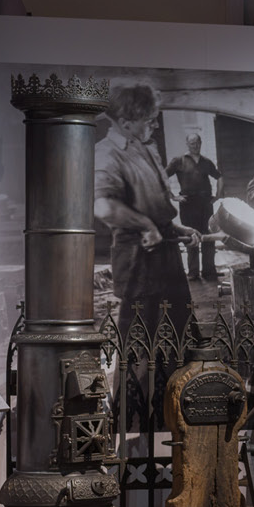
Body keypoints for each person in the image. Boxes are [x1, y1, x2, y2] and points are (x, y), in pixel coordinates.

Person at [94, 83, 195, 328]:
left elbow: (152, 203)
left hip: (165, 249)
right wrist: (146, 226)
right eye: (149, 121)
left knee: (181, 325)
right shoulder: (107, 153)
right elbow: (104, 206)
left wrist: (175, 228)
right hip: (138, 254)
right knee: (140, 332)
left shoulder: (147, 149)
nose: (156, 125)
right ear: (125, 123)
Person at [165, 133, 221, 281]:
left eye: (197, 143)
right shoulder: (179, 161)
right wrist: (172, 196)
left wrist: (218, 196)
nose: (195, 146)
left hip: (206, 204)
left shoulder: (206, 162)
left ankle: (209, 271)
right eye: (192, 143)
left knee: (208, 236)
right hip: (188, 204)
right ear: (187, 144)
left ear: (201, 143)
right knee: (191, 237)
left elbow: (219, 177)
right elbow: (163, 176)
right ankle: (193, 272)